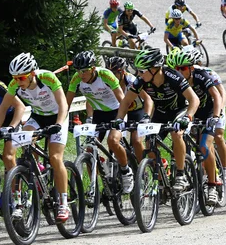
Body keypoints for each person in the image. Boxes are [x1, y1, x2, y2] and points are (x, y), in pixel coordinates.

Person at [0, 52, 71, 222]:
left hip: (58, 116)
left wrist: (57, 124)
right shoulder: (15, 84)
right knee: (16, 147)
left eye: (21, 77)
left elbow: (63, 104)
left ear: (32, 74)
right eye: (15, 78)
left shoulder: (48, 78)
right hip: (38, 116)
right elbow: (3, 108)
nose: (18, 82)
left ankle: (64, 203)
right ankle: (20, 198)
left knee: (55, 157)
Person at [114, 48, 200, 191]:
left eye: (142, 70)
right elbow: (126, 101)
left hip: (180, 111)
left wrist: (188, 117)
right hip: (160, 113)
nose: (139, 74)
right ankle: (162, 178)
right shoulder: (141, 81)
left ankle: (180, 174)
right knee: (150, 144)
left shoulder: (173, 76)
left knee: (176, 133)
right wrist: (119, 119)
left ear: (154, 69)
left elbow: (194, 99)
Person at [66, 51, 134, 193]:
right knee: (90, 149)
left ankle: (126, 171)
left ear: (93, 68)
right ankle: (95, 185)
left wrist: (120, 119)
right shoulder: (76, 79)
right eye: (78, 71)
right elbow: (66, 104)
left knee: (113, 141)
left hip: (116, 111)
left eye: (84, 71)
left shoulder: (105, 75)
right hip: (98, 114)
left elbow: (123, 100)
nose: (81, 74)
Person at [167, 48, 223, 205]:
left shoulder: (200, 75)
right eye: (175, 69)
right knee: (178, 138)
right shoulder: (174, 80)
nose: (178, 72)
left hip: (209, 112)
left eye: (182, 68)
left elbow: (216, 95)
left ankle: (212, 185)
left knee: (204, 146)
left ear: (191, 68)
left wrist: (215, 117)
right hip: (190, 112)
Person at [106, 56, 153, 161]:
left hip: (138, 112)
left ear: (122, 72)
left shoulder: (131, 80)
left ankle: (142, 171)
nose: (111, 76)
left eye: (115, 73)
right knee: (113, 141)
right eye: (109, 73)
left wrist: (147, 116)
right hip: (121, 112)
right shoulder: (107, 82)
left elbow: (147, 99)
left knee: (136, 141)